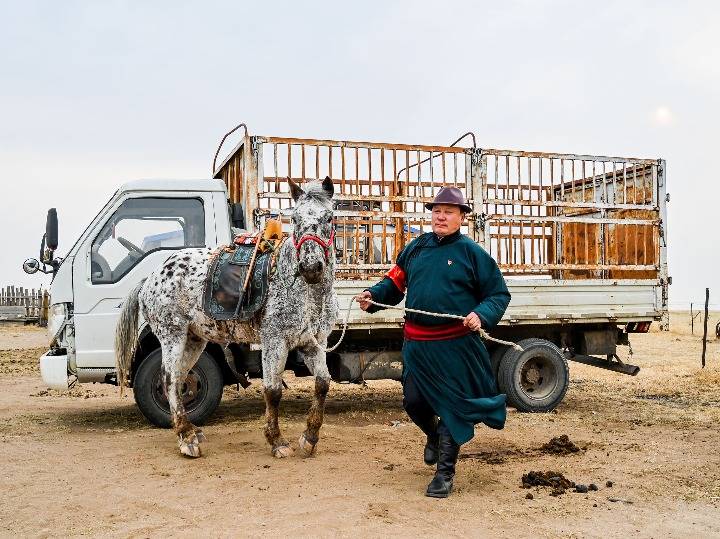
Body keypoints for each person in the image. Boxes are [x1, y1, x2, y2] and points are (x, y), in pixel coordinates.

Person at [355, 187, 511, 498]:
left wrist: (481, 314)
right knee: (413, 402)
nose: (440, 216)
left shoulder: (473, 254)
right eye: (437, 210)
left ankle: (444, 474)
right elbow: (394, 282)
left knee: (452, 409)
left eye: (449, 211)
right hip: (418, 346)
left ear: (462, 218)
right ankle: (433, 436)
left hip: (456, 347)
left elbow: (498, 294)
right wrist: (374, 296)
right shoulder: (416, 249)